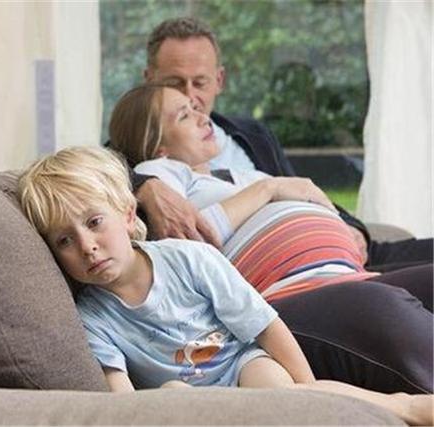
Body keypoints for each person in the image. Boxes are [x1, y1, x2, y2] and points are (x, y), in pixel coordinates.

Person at [17, 146, 433, 426]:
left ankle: (404, 406)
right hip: (184, 400)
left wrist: (308, 390)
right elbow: (121, 401)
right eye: (64, 241)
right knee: (173, 394)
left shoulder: (188, 259)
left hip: (241, 365)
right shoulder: (92, 318)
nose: (86, 246)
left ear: (128, 215)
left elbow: (265, 326)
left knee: (280, 391)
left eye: (94, 223)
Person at [108, 82, 433, 394]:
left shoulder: (244, 176)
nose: (202, 116)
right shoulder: (160, 173)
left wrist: (341, 227)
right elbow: (194, 237)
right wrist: (270, 189)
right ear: (158, 146)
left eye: (196, 108)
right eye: (184, 115)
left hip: (345, 272)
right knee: (384, 309)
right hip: (287, 293)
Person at [134, 17, 432, 272]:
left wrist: (353, 228)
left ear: (219, 80)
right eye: (173, 83)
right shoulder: (137, 154)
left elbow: (298, 187)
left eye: (200, 83)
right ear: (148, 79)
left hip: (334, 244)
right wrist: (144, 185)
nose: (190, 97)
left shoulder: (253, 134)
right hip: (288, 271)